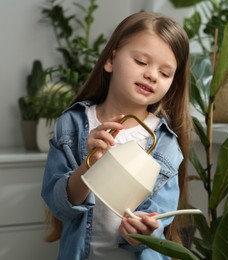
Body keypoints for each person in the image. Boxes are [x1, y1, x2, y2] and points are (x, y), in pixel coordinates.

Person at [41, 11, 192, 260]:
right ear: (111, 60)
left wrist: (141, 233)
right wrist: (89, 165)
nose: (152, 75)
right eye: (142, 62)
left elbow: (157, 230)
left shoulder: (165, 146)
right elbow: (59, 207)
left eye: (165, 74)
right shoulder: (73, 126)